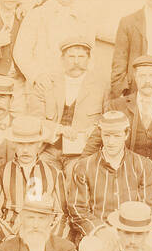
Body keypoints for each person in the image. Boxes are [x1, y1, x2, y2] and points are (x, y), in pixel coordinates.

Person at [64, 110, 152, 243]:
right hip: (98, 234)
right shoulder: (83, 166)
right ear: (100, 134)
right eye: (106, 135)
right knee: (90, 248)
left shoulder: (143, 165)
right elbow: (77, 209)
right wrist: (100, 230)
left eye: (116, 136)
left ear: (126, 134)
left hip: (134, 232)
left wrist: (130, 232)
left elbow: (148, 206)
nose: (110, 141)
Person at [0, 116, 70, 247]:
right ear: (13, 143)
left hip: (44, 238)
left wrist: (49, 241)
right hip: (11, 237)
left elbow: (63, 214)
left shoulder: (54, 174)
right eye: (20, 143)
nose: (25, 150)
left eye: (31, 144)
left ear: (40, 144)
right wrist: (9, 239)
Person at [95, 53, 152, 169]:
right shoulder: (117, 106)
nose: (147, 81)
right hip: (127, 171)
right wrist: (83, 163)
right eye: (142, 76)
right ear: (135, 76)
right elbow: (97, 137)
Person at [27, 36, 107, 168]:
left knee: (76, 178)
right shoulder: (46, 83)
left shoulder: (102, 87)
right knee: (42, 176)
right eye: (71, 57)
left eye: (81, 57)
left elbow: (107, 119)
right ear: (62, 59)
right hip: (48, 150)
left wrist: (92, 130)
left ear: (89, 59)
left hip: (82, 153)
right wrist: (59, 129)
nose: (76, 62)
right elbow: (34, 119)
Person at [14, 0, 98, 89]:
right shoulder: (37, 14)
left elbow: (90, 56)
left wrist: (83, 83)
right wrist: (37, 75)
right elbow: (21, 52)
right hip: (42, 85)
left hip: (73, 86)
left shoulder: (85, 18)